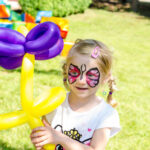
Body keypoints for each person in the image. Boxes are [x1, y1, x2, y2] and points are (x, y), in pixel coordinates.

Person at [30, 39, 121, 150]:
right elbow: (45, 143)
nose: (81, 80)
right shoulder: (54, 104)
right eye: (74, 72)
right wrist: (40, 142)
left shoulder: (105, 114)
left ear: (105, 78)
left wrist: (60, 138)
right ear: (66, 70)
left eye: (91, 75)